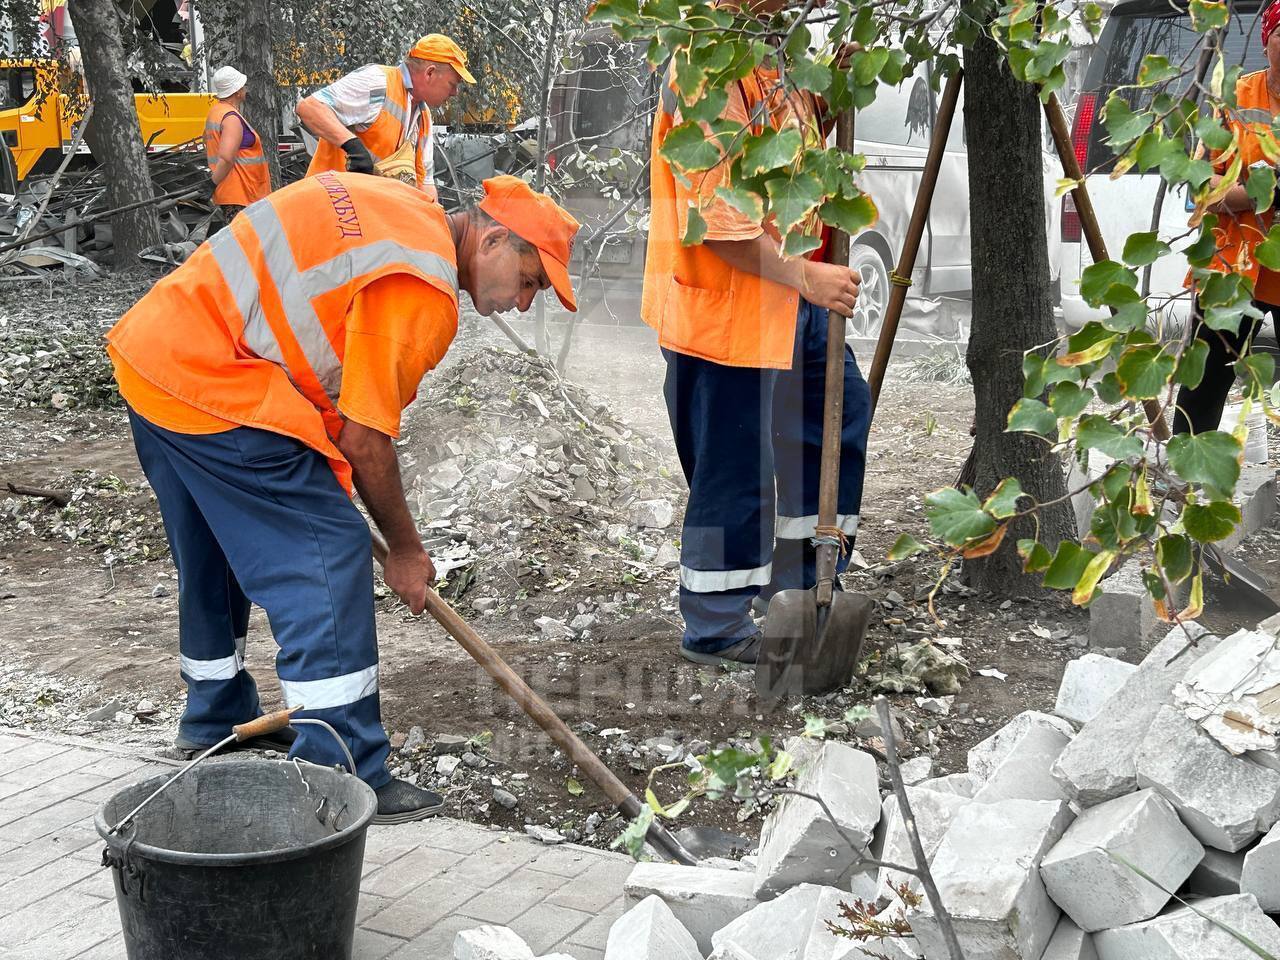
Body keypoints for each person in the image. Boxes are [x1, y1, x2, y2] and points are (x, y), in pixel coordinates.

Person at [106, 172, 580, 822]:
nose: (524, 302)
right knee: (328, 554)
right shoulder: (423, 286)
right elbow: (366, 441)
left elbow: (327, 363)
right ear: (494, 237)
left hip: (157, 357)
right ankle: (343, 769)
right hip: (216, 381)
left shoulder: (404, 211)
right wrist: (406, 552)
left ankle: (214, 715)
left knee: (216, 547)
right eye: (530, 280)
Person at [642, 2, 869, 667]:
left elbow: (781, 154)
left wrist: (828, 92)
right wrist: (807, 278)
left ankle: (802, 586)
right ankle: (713, 621)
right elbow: (720, 225)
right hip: (726, 306)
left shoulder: (772, 55)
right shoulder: (706, 66)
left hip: (784, 299)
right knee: (734, 466)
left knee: (836, 421)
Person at [1175, 2, 1280, 435]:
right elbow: (1200, 190)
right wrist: (1263, 189)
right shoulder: (1236, 98)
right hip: (1230, 266)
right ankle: (1181, 476)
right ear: (1267, 40)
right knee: (1204, 381)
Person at [296, 35, 474, 202]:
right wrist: (352, 146)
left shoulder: (424, 117)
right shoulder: (378, 82)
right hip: (329, 205)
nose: (454, 93)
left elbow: (425, 183)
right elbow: (309, 107)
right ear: (430, 73)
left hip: (363, 218)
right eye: (452, 84)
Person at [204, 66, 272, 222]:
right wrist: (212, 183)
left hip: (234, 193)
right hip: (242, 195)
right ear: (236, 92)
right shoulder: (231, 118)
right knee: (247, 243)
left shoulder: (216, 112)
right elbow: (227, 158)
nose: (245, 89)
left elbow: (208, 144)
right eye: (243, 86)